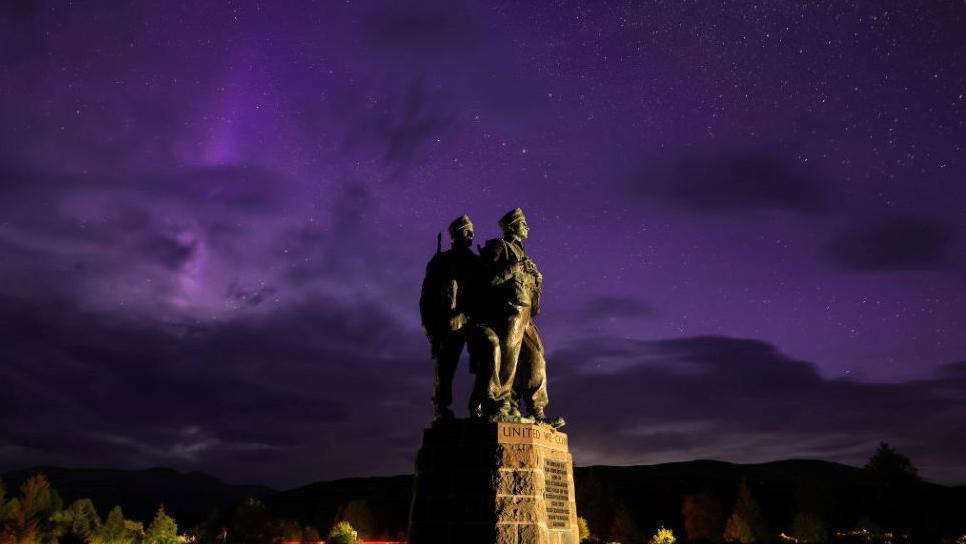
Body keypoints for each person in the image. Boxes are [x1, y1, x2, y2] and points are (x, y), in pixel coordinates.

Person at [476, 208, 564, 428]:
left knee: (537, 358)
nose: (527, 228)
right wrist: (513, 268)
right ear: (511, 226)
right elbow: (485, 280)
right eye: (523, 224)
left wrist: (537, 279)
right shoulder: (498, 247)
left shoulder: (525, 256)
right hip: (508, 311)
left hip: (525, 314)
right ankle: (500, 402)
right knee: (508, 356)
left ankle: (537, 409)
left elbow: (534, 304)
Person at [419, 214, 485, 420]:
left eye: (472, 231)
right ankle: (441, 406)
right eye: (467, 231)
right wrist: (430, 327)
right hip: (450, 321)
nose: (471, 234)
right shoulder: (441, 261)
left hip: (474, 319)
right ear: (456, 235)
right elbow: (427, 297)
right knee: (446, 366)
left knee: (487, 359)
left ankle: (479, 405)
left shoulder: (477, 262)